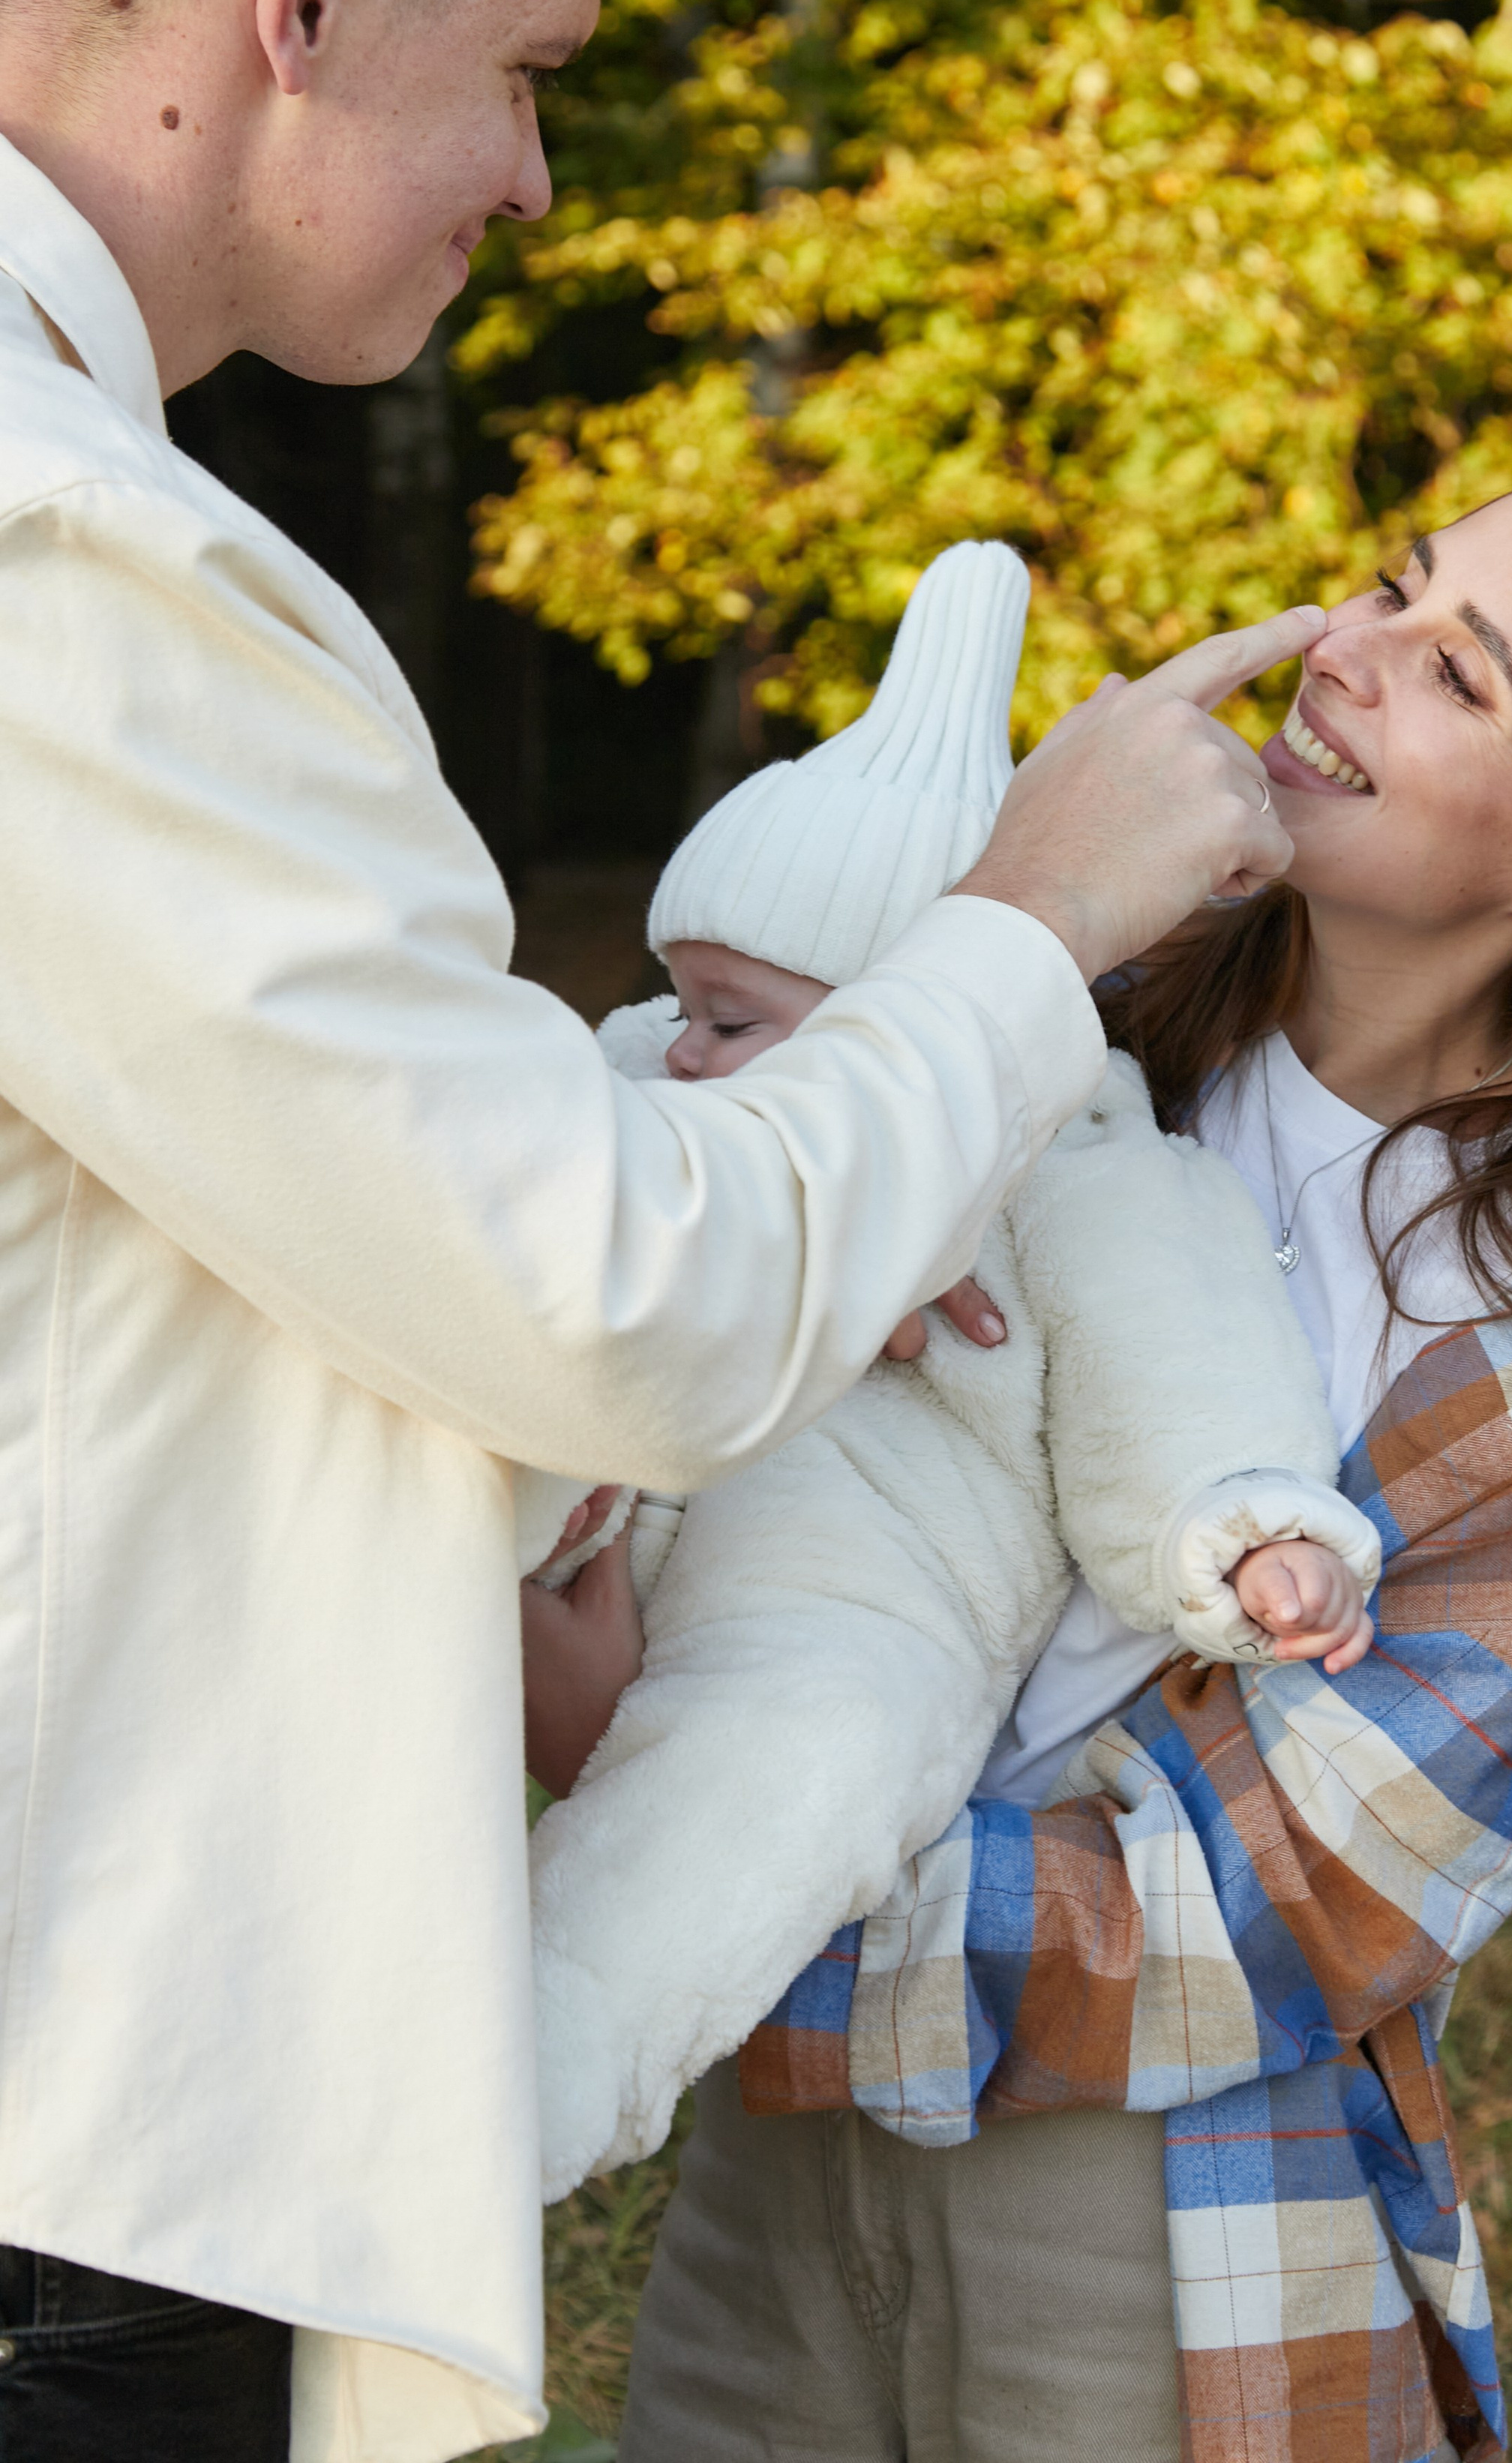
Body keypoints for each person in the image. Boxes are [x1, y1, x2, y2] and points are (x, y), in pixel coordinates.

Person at [0, 0, 1311, 2458]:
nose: (539, 187)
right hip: (65, 2156)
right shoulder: (70, 571)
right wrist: (1016, 936)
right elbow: (606, 1292)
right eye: (539, 74)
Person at [533, 478, 1512, 2463]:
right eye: (1396, 586)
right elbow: (631, 1182)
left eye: (1455, 673)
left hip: (1166, 2253)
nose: (1345, 648)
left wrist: (646, 1792)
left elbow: (1270, 1913)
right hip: (768, 2208)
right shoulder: (1039, 1040)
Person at [526, 541, 1378, 2202]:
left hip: (856, 1591)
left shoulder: (1079, 1166)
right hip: (603, 1476)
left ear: (910, 1030)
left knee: (792, 1773)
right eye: (680, 1005)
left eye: (733, 1022)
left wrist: (1246, 1525)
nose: (680, 1050)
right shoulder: (655, 1073)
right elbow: (497, 1170)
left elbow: (1180, 1353)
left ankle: (537, 2064)